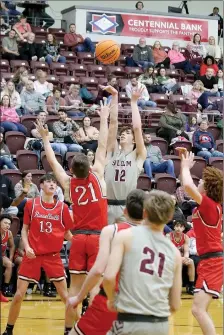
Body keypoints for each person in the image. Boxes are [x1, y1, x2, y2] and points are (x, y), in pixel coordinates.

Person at [35, 98, 110, 335]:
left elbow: (52, 161)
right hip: (98, 238)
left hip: (77, 240)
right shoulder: (98, 174)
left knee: (74, 292)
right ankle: (95, 330)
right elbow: (103, 144)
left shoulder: (68, 183)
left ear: (72, 170)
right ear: (89, 166)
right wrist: (105, 117)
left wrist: (46, 138)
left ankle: (69, 331)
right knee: (96, 290)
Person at [2, 174, 74, 335]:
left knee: (65, 296)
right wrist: (27, 246)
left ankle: (69, 330)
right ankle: (8, 330)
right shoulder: (31, 204)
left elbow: (67, 233)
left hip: (53, 256)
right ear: (41, 185)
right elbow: (25, 229)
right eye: (48, 181)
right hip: (32, 255)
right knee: (19, 295)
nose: (52, 184)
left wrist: (80, 243)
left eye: (54, 182)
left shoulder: (62, 208)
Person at [67, 189, 146, 335]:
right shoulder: (157, 237)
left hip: (111, 302)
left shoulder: (112, 230)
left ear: (125, 211)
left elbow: (98, 270)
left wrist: (79, 297)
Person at [103, 190, 182, 335]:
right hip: (161, 325)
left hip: (129, 321)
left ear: (144, 213)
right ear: (170, 217)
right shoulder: (175, 253)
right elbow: (175, 304)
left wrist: (112, 300)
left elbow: (108, 277)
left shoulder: (125, 237)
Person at [181, 152, 223, 335]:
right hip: (208, 261)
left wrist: (184, 167)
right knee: (199, 310)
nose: (199, 183)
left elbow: (188, 186)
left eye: (202, 182)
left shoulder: (209, 205)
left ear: (208, 187)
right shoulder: (206, 206)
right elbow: (188, 186)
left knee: (197, 310)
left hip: (212, 262)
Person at [102, 86, 147, 225]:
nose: (122, 134)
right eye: (122, 133)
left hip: (127, 207)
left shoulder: (138, 155)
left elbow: (137, 128)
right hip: (107, 205)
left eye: (127, 133)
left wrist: (133, 103)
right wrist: (115, 96)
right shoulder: (113, 151)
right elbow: (113, 124)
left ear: (134, 140)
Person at [167, 221, 195, 294]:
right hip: (170, 258)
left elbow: (186, 251)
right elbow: (168, 252)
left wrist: (185, 258)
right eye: (177, 226)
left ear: (183, 228)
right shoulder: (168, 236)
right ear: (174, 227)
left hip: (181, 258)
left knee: (190, 262)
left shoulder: (185, 237)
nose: (178, 228)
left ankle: (191, 286)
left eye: (181, 227)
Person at [1, 214, 15, 298]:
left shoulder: (9, 233)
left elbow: (12, 246)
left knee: (9, 264)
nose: (7, 225)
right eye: (5, 223)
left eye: (9, 224)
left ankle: (5, 288)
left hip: (2, 255)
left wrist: (10, 257)